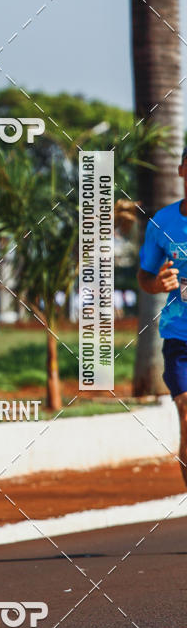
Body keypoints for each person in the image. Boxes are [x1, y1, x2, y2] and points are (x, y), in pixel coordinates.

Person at [137, 146, 187, 487]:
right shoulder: (163, 222)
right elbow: (144, 277)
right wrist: (158, 282)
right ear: (182, 171)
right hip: (180, 337)